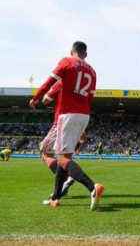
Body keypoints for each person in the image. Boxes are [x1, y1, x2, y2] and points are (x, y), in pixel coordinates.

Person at [29, 41, 104, 210]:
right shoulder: (92, 71)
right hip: (84, 114)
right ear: (86, 54)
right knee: (64, 157)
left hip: (66, 114)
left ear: (72, 51)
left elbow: (49, 82)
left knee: (61, 158)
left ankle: (92, 187)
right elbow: (90, 97)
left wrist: (36, 97)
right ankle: (56, 197)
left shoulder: (67, 62)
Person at [40, 80, 80, 197]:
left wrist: (38, 96)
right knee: (64, 158)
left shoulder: (61, 82)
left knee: (46, 155)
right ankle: (60, 190)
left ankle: (69, 177)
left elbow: (45, 100)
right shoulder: (78, 88)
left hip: (61, 121)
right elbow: (84, 138)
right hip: (76, 120)